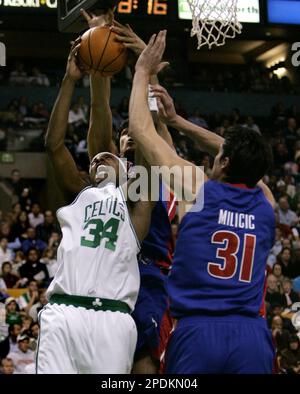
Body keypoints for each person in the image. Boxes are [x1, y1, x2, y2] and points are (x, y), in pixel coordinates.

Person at [129, 31, 275, 373]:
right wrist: (178, 121)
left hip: (198, 332)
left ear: (224, 163)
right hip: (251, 334)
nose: (213, 153)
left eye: (219, 154)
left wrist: (140, 71)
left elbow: (140, 130)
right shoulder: (266, 200)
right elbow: (248, 161)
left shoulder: (197, 187)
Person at [37, 29, 153, 375]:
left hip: (114, 318)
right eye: (94, 158)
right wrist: (70, 80)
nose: (100, 158)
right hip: (63, 311)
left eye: (110, 156)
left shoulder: (136, 201)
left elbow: (146, 151)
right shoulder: (79, 191)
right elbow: (54, 145)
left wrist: (144, 73)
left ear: (126, 168)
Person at [80, 11, 176, 373]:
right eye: (126, 135)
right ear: (119, 145)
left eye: (137, 130)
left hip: (150, 277)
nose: (132, 135)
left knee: (143, 364)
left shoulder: (161, 170)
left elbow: (155, 131)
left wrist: (146, 70)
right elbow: (98, 118)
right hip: (107, 274)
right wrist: (98, 70)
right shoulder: (111, 171)